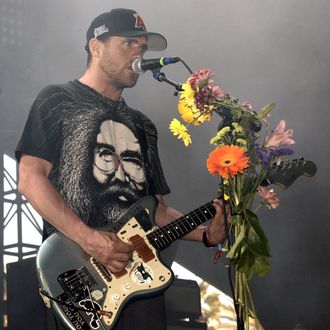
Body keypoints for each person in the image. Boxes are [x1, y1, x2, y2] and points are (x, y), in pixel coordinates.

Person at [15, 8, 227, 330]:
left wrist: (205, 235)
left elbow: (156, 211)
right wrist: (90, 240)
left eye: (142, 47)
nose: (138, 54)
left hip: (139, 285)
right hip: (79, 280)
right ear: (95, 47)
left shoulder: (143, 125)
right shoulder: (57, 99)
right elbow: (30, 179)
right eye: (127, 44)